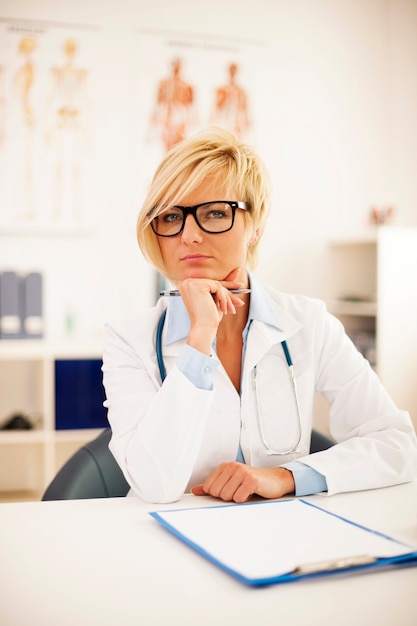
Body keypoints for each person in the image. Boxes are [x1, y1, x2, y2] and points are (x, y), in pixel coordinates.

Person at [102, 127, 417, 504]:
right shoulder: (128, 340)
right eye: (171, 217)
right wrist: (199, 337)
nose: (188, 235)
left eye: (215, 213)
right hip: (172, 537)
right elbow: (154, 485)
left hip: (283, 535)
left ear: (255, 227)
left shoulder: (309, 323)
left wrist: (286, 477)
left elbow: (397, 444)